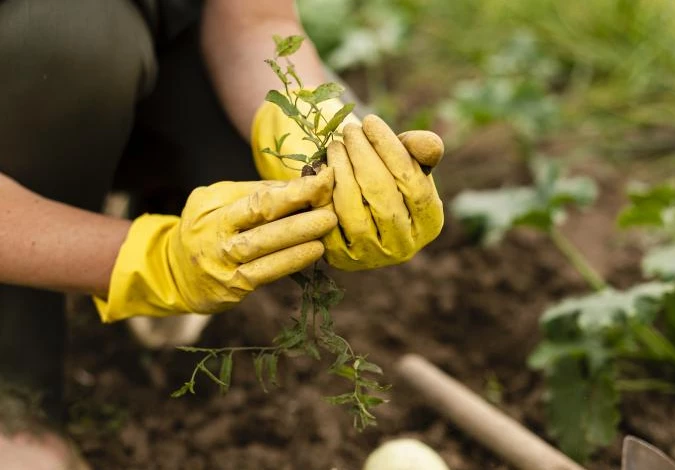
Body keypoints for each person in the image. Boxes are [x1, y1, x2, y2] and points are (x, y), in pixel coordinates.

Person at [0, 0, 444, 467]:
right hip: (42, 66)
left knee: (270, 149)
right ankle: (12, 396)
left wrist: (313, 142)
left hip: (148, 59)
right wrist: (147, 260)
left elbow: (254, 19)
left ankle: (144, 198)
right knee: (65, 38)